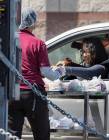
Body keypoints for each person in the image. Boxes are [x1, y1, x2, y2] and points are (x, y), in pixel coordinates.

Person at [8, 8, 63, 140]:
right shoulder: (38, 44)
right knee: (41, 134)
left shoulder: (10, 41)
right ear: (33, 23)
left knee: (12, 136)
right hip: (33, 95)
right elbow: (47, 73)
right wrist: (61, 71)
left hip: (13, 94)